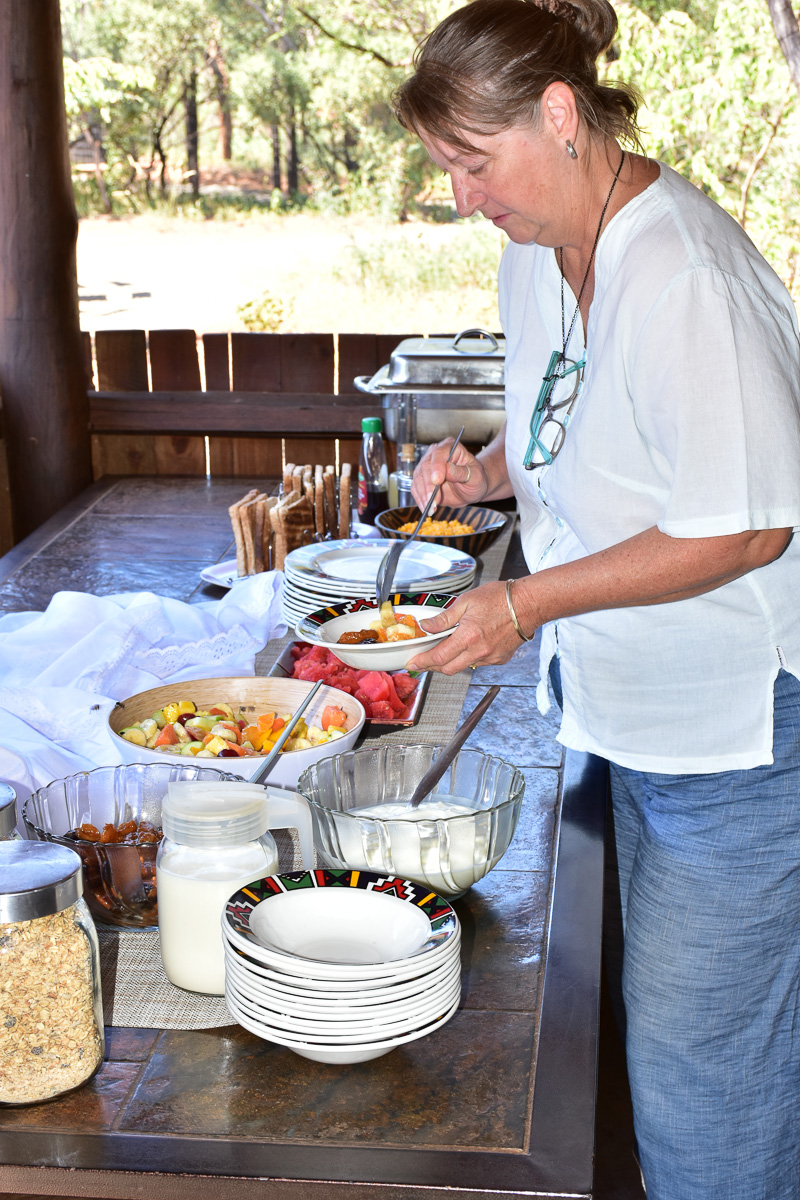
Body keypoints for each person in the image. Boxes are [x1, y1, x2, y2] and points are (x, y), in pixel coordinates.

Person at [394, 2, 800, 1197]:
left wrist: (522, 606)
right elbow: (578, 417)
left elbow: (743, 520)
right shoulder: (534, 251)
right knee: (682, 1044)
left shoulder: (684, 270)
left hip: (732, 735)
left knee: (703, 1074)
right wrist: (489, 467)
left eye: (473, 164)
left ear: (559, 116)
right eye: (445, 171)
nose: (462, 197)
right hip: (627, 710)